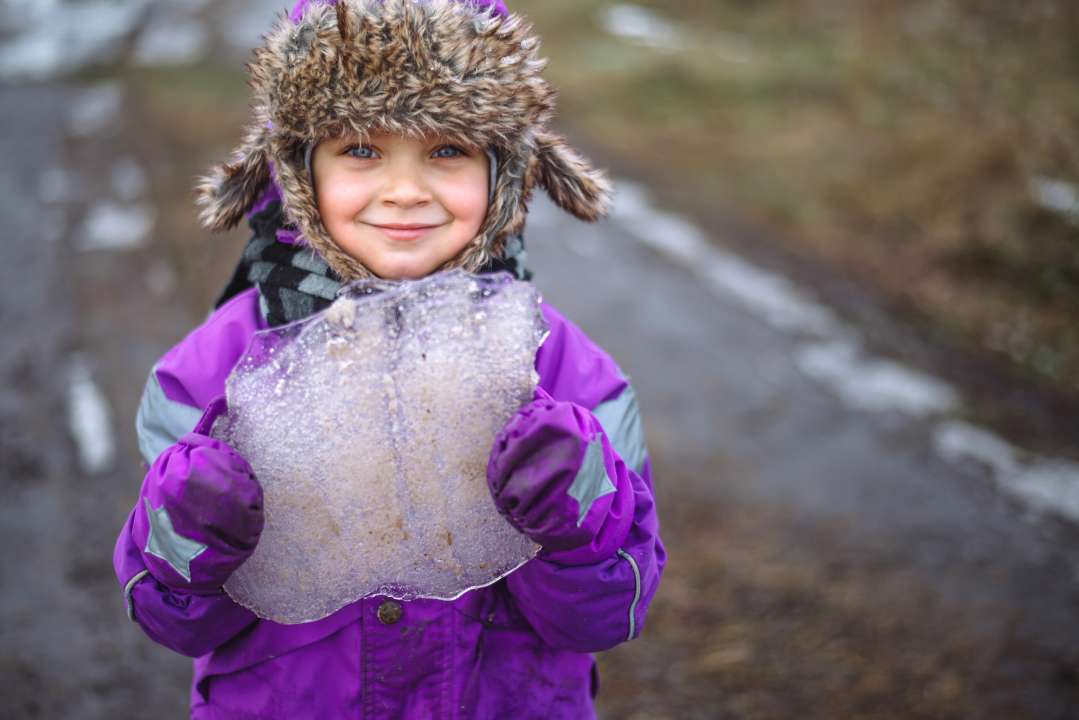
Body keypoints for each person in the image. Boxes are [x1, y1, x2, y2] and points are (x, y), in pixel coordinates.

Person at [113, 0, 665, 717]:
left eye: (447, 150)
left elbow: (609, 614)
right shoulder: (209, 371)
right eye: (361, 150)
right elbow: (172, 620)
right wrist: (188, 530)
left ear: (502, 172)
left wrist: (580, 511)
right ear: (297, 171)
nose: (405, 192)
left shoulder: (564, 369)